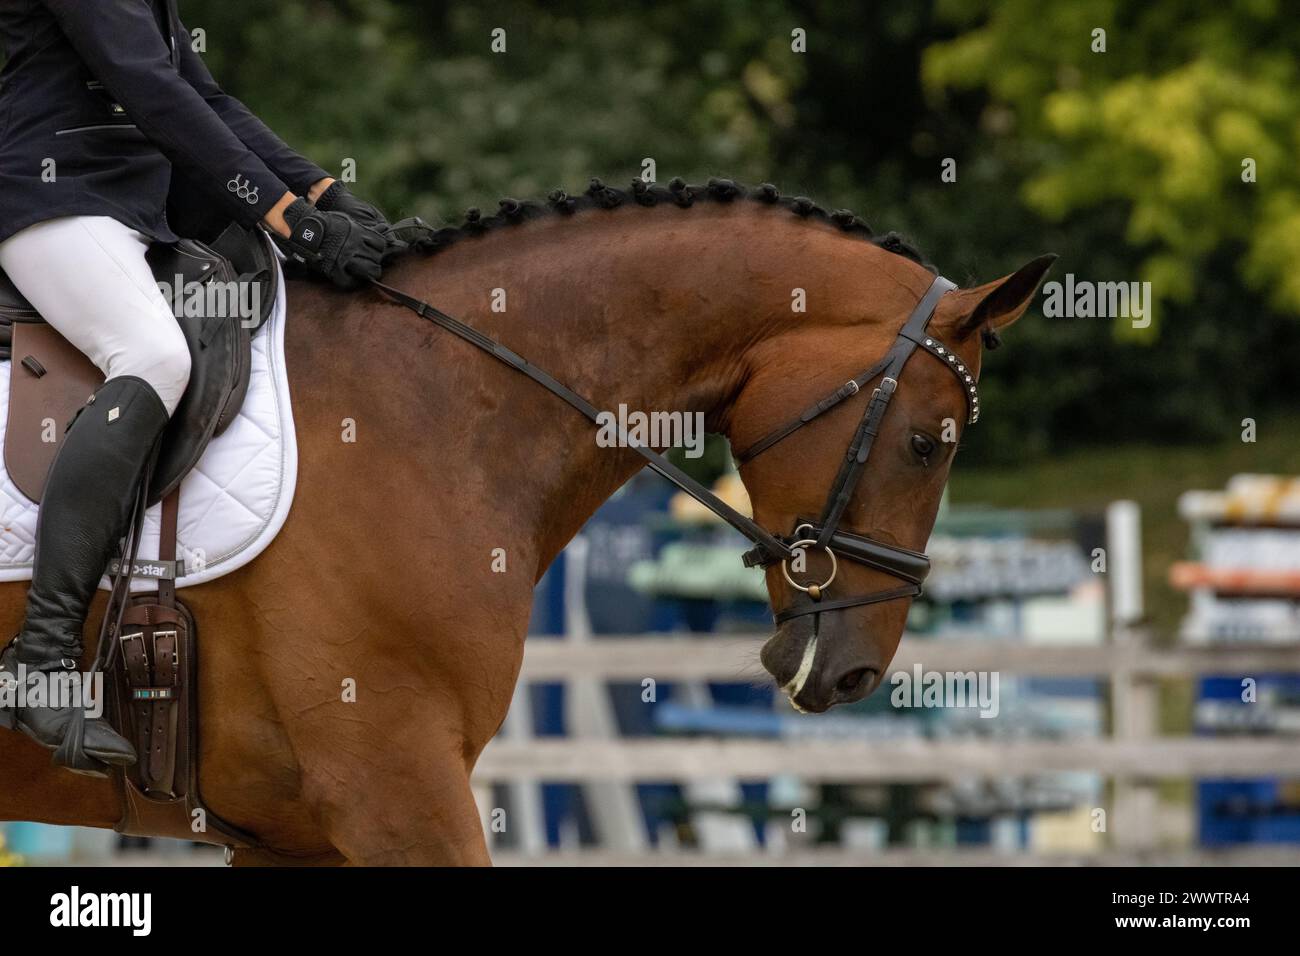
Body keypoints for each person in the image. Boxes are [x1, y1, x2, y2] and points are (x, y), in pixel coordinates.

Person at [0, 0, 390, 775]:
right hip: (44, 197)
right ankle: (38, 659)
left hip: (129, 207)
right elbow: (147, 87)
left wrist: (318, 195)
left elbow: (200, 93)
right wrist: (284, 216)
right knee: (152, 356)